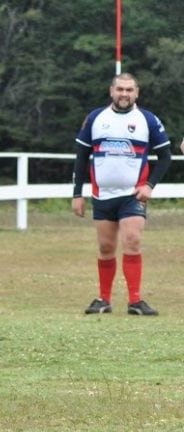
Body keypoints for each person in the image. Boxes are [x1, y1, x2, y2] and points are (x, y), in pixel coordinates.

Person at [72, 72, 171, 316]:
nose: (124, 94)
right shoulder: (96, 118)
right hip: (103, 194)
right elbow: (82, 157)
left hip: (132, 195)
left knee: (132, 241)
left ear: (136, 93)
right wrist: (77, 194)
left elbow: (165, 156)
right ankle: (103, 299)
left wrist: (149, 185)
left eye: (129, 90)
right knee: (106, 248)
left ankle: (135, 301)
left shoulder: (147, 120)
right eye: (120, 89)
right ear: (111, 91)